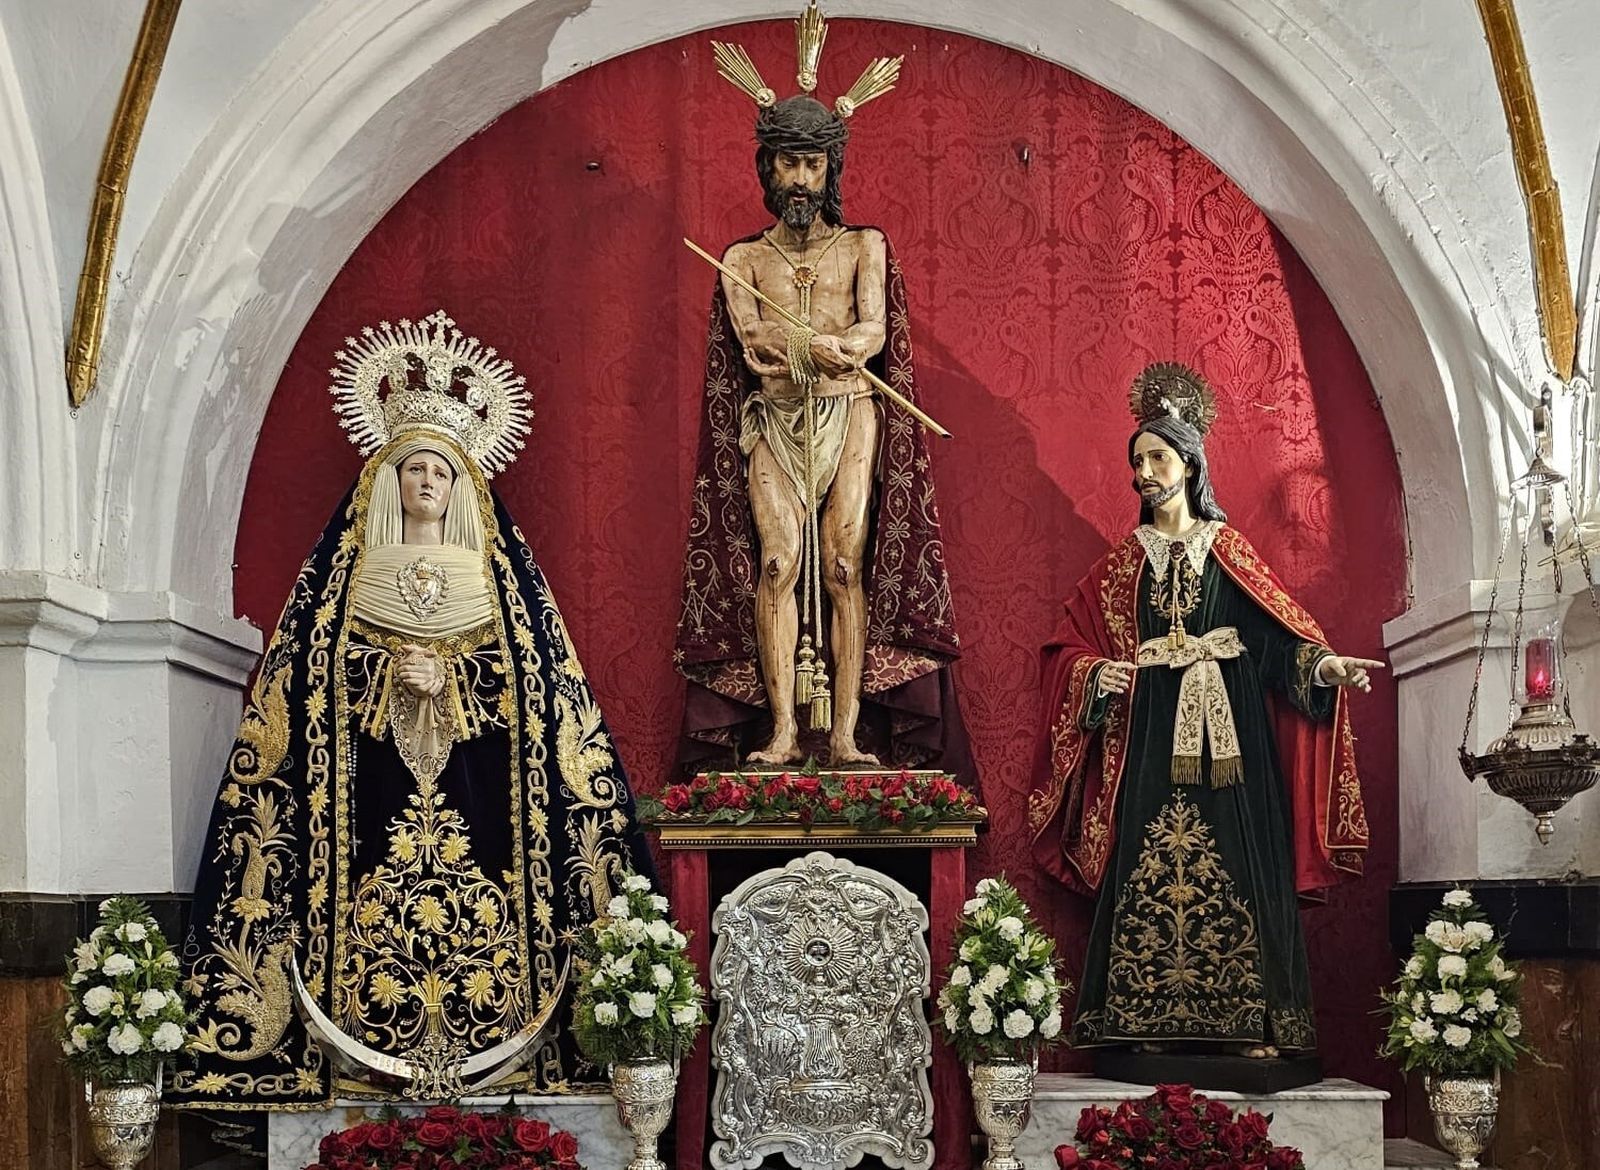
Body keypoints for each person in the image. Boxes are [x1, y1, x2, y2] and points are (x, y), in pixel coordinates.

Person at [170, 312, 649, 1108]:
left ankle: (503, 1056)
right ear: (386, 479)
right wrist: (386, 672)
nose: (427, 482)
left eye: (441, 472)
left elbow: (540, 684)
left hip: (481, 791)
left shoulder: (496, 578)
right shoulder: (347, 579)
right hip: (369, 786)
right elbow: (305, 679)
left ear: (462, 486)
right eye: (413, 468)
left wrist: (454, 677)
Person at [1028, 363, 1381, 1057]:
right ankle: (1147, 1026)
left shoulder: (1229, 551)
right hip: (1150, 734)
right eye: (1136, 462)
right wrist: (1094, 674)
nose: (1143, 474)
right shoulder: (1123, 565)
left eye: (1157, 458)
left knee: (1241, 858)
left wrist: (1324, 667)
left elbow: (1277, 643)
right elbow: (1065, 647)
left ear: (1190, 464)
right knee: (1146, 859)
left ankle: (1253, 1027)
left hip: (1233, 737)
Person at [675, 6, 966, 771]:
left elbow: (874, 332)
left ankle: (842, 734)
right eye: (787, 164)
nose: (799, 179)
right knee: (778, 564)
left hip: (849, 411)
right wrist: (796, 349)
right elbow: (754, 345)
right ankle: (780, 731)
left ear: (830, 169)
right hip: (774, 417)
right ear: (767, 169)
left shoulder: (865, 244)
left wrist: (842, 348)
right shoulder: (742, 260)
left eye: (811, 165)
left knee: (841, 566)